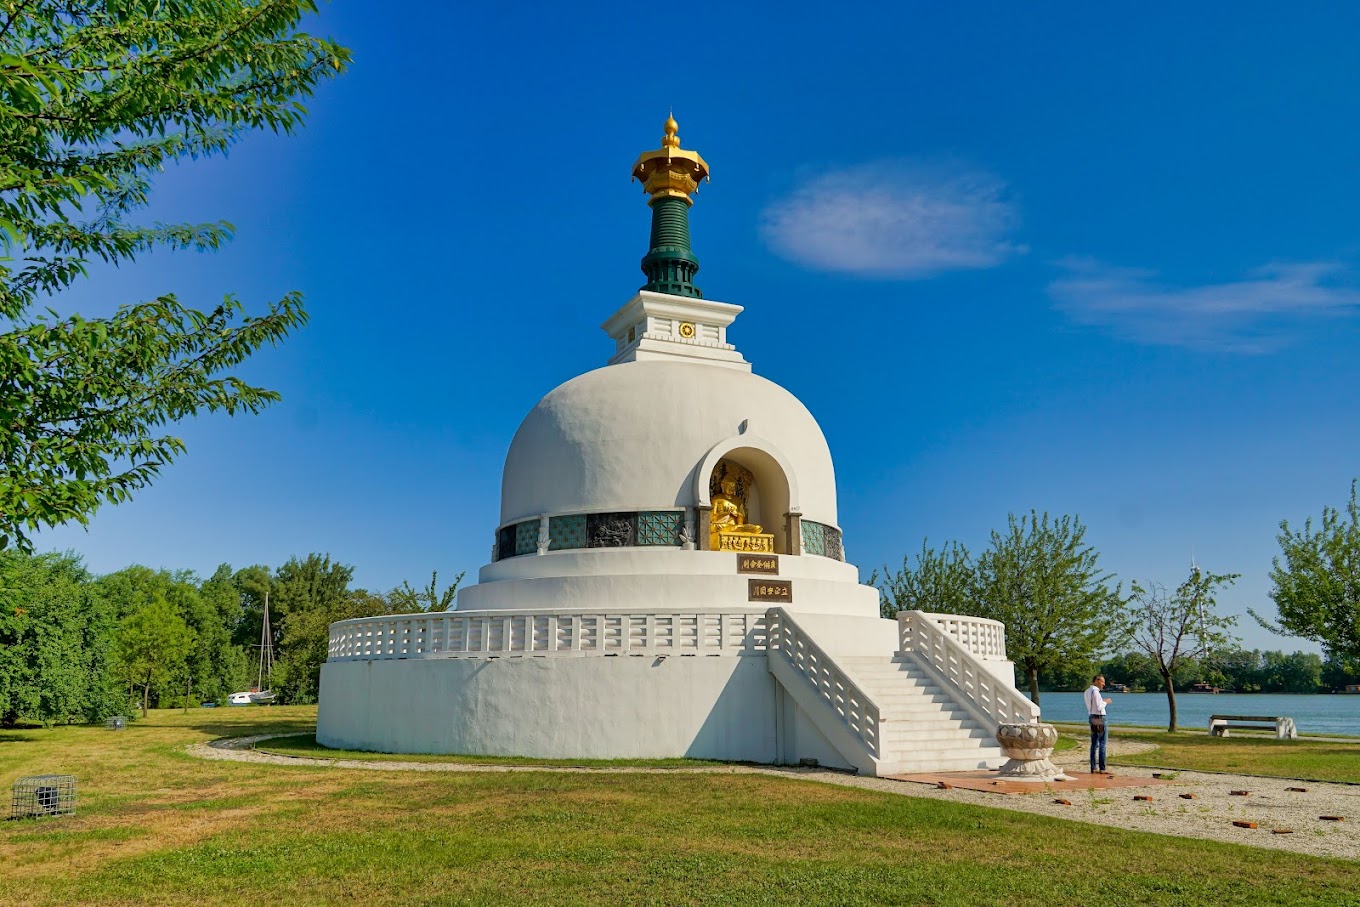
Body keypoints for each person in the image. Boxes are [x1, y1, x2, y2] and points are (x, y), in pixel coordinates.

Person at [1085, 674, 1112, 775]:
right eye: (1102, 682)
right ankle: (1102, 767)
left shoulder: (1087, 692)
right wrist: (1106, 702)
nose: (1103, 684)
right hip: (1099, 717)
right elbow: (1099, 706)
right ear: (1096, 681)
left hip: (1092, 716)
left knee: (1094, 743)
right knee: (1102, 743)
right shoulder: (1095, 692)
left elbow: (1090, 706)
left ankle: (1093, 767)